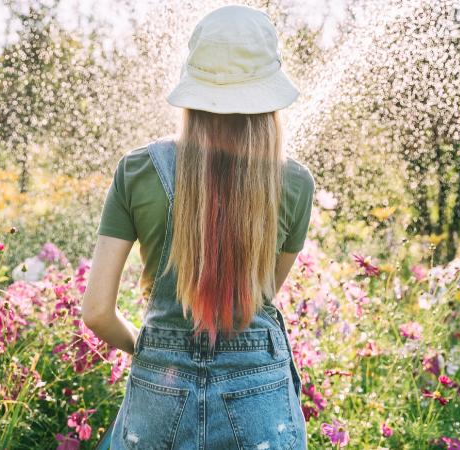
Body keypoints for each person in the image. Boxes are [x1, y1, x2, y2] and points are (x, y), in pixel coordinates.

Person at [82, 4, 315, 449]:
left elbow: (96, 312)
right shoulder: (295, 184)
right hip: (259, 394)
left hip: (158, 389)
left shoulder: (137, 171)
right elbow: (262, 295)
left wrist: (153, 347)